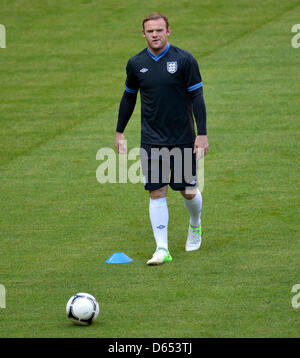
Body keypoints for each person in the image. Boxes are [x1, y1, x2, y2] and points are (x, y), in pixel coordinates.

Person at [115, 13, 209, 265]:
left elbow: (198, 97)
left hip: (182, 138)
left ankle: (195, 224)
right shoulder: (136, 64)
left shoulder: (184, 60)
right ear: (143, 34)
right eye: (149, 31)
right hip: (151, 139)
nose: (154, 34)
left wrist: (202, 134)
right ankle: (162, 249)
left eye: (159, 30)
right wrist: (119, 131)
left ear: (168, 31)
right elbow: (128, 98)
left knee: (188, 192)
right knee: (156, 191)